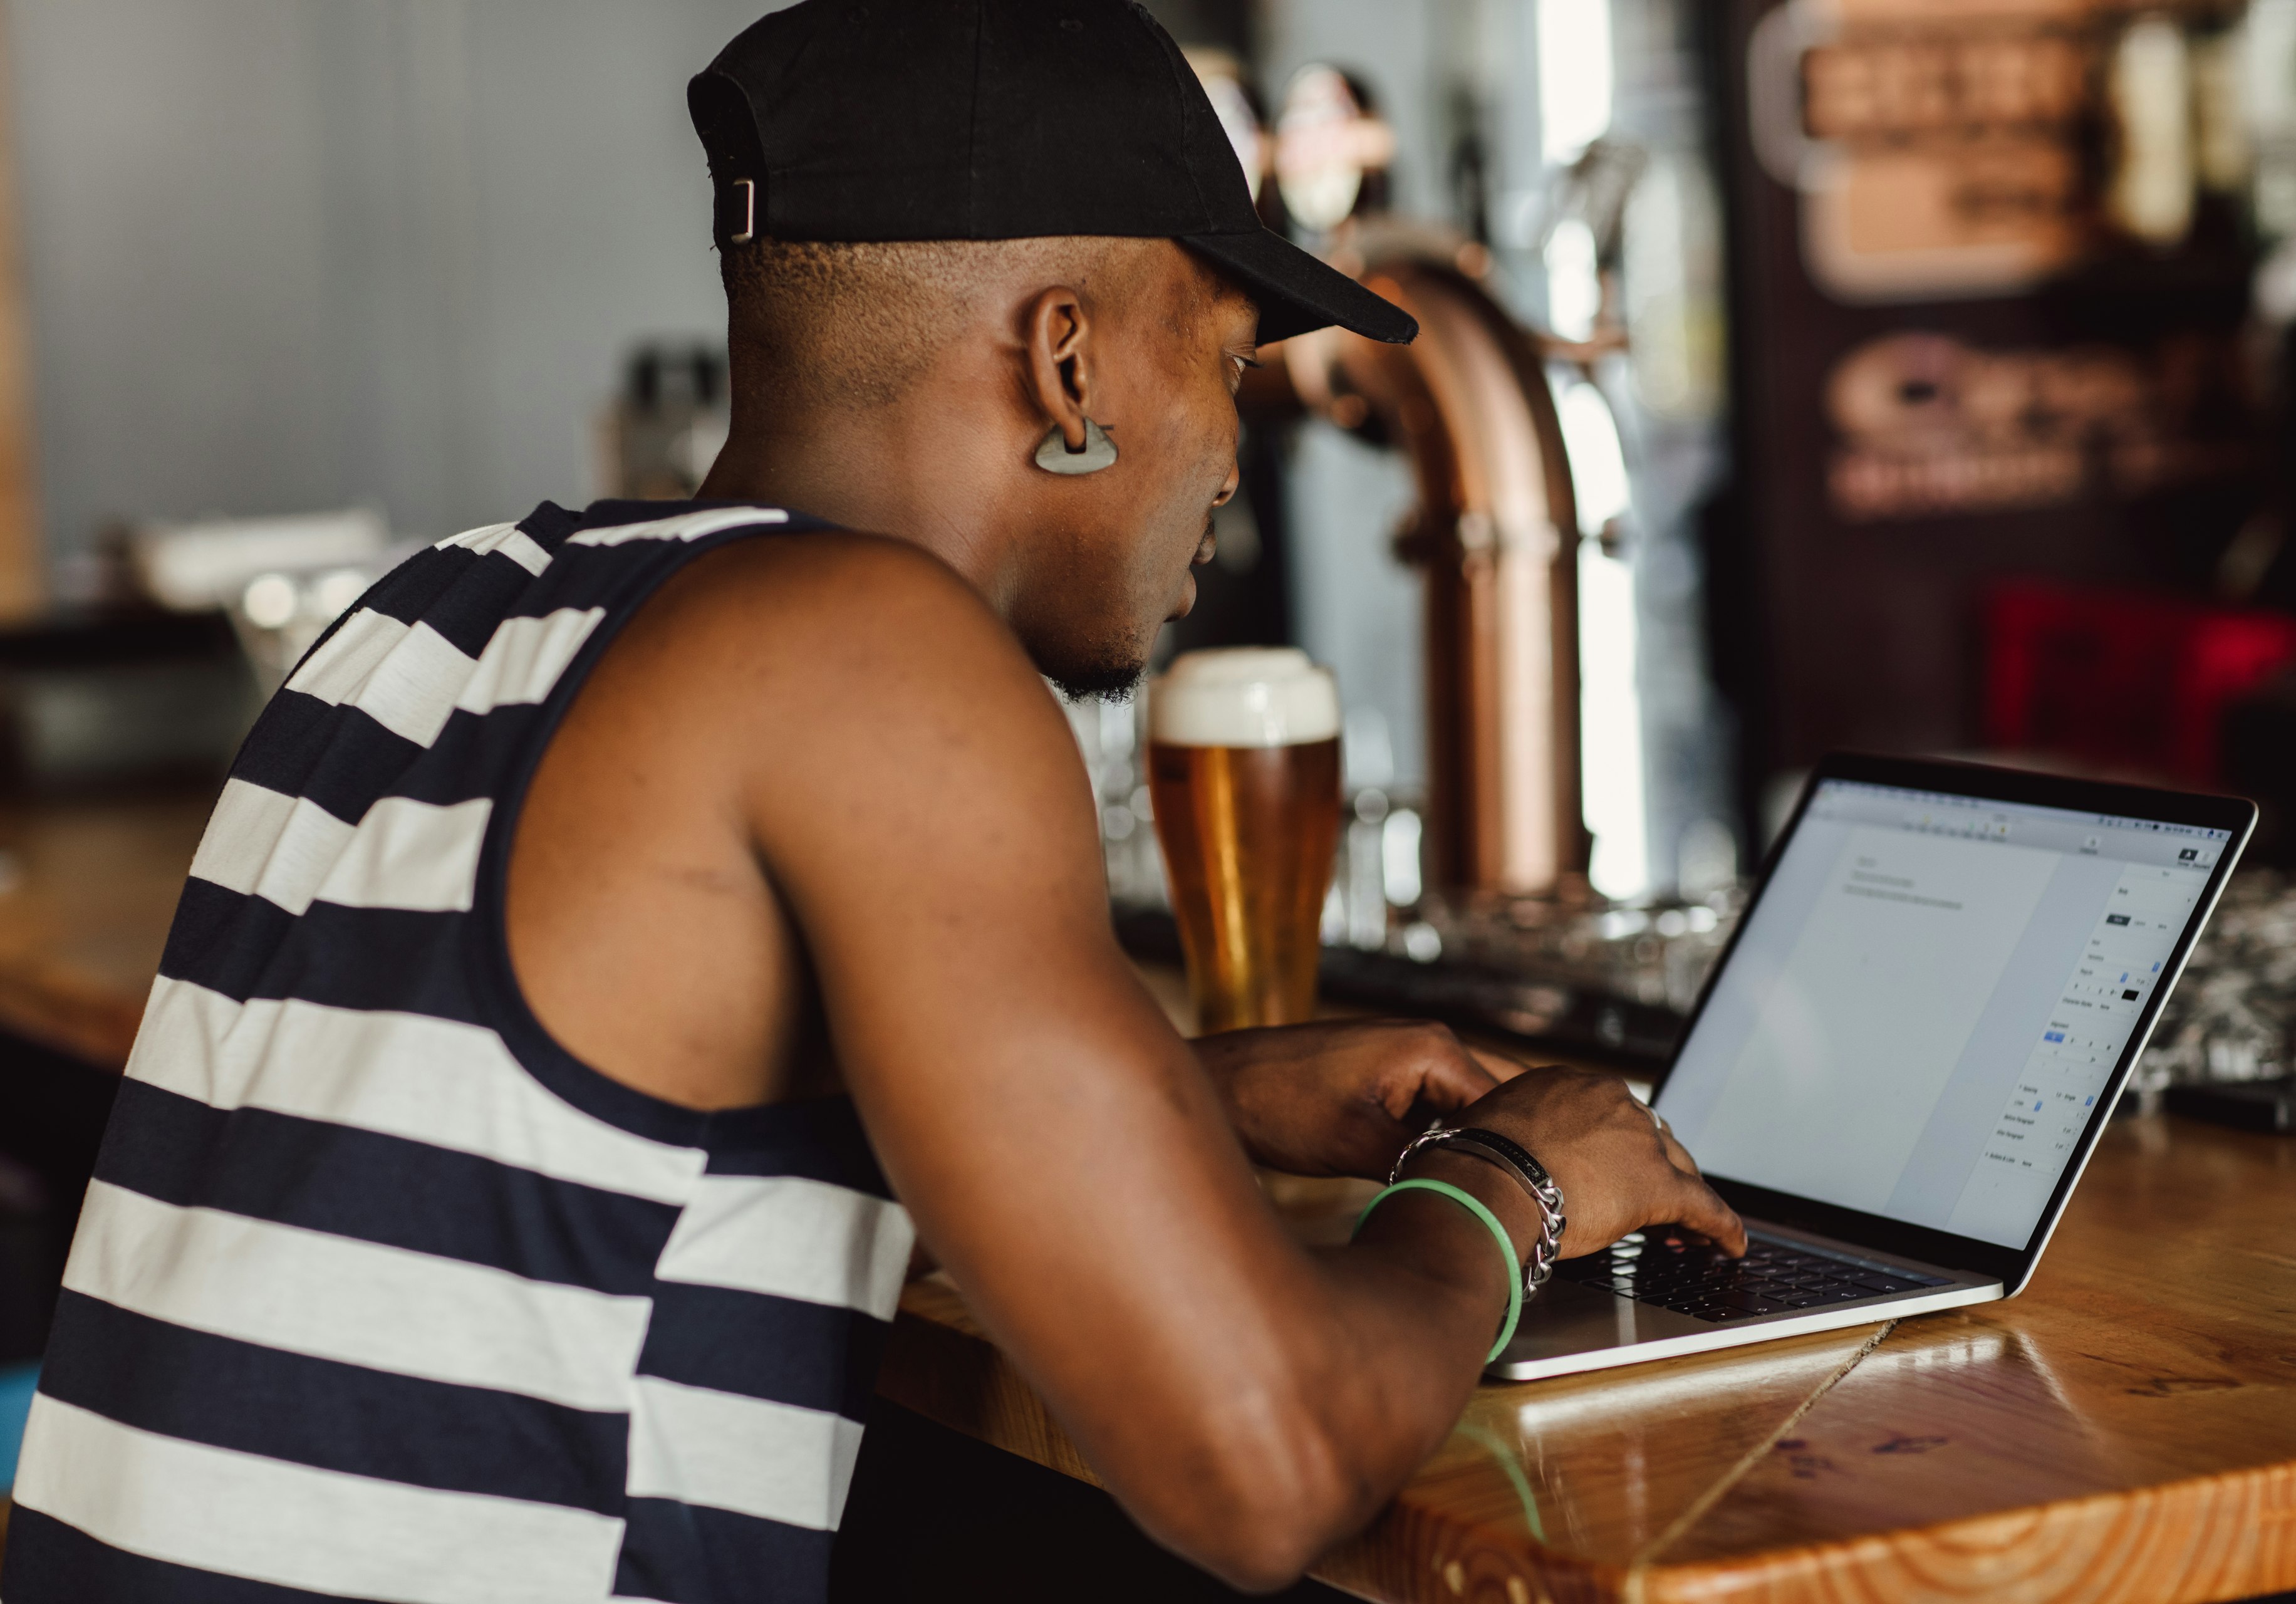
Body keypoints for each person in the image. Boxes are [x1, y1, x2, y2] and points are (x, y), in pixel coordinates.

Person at [0, 4, 1743, 1600]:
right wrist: (1520, 1185)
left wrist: (1193, 1104)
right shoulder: (879, 657)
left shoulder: (432, 612)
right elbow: (1262, 1460)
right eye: (1219, 362)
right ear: (1067, 364)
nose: (1231, 449)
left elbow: (582, 1157)